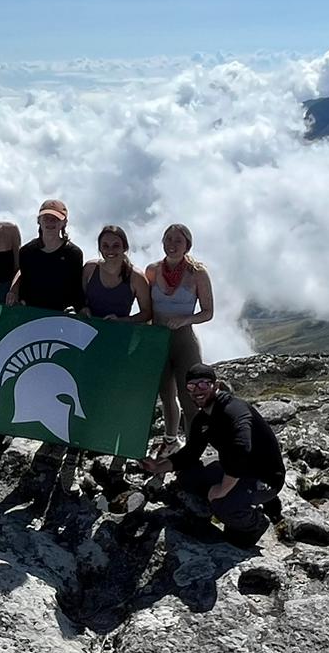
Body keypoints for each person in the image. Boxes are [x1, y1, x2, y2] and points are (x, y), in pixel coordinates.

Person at [140, 363, 285, 547]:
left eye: (203, 384)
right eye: (191, 387)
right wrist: (158, 466)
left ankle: (256, 523)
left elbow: (242, 449)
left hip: (265, 477)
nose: (197, 391)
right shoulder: (203, 419)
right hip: (233, 470)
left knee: (223, 506)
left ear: (216, 385)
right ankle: (239, 499)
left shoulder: (235, 410)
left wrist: (222, 489)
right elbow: (190, 454)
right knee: (187, 476)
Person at [145, 223, 215, 455]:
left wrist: (184, 320)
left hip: (184, 341)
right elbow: (146, 309)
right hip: (158, 340)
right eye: (168, 239)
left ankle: (195, 448)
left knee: (191, 396)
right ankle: (171, 440)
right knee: (166, 395)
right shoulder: (152, 270)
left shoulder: (198, 273)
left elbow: (208, 312)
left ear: (187, 245)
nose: (172, 245)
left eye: (178, 240)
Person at [8, 199, 85, 311]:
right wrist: (13, 291)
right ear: (39, 220)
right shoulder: (27, 252)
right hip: (31, 314)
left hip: (62, 316)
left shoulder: (74, 254)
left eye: (55, 219)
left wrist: (82, 308)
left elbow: (77, 289)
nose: (50, 222)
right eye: (46, 218)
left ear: (64, 223)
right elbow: (23, 280)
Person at [81, 224, 153, 323]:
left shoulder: (136, 277)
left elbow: (147, 313)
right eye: (105, 246)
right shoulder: (90, 269)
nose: (110, 250)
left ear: (125, 247)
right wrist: (82, 308)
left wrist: (123, 320)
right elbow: (80, 297)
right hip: (87, 328)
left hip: (118, 333)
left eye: (116, 246)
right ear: (100, 248)